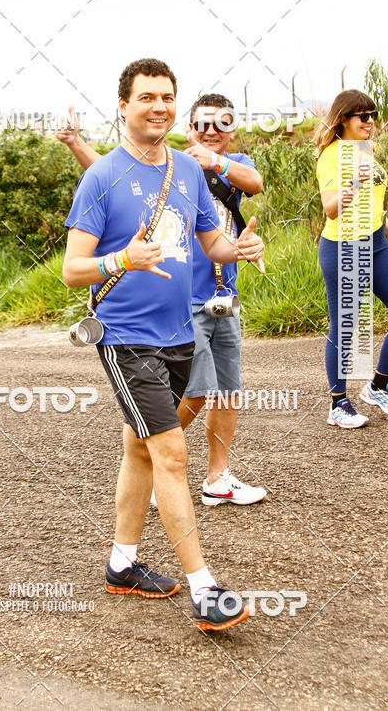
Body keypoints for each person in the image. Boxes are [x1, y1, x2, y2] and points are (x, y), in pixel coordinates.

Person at [62, 58, 264, 630]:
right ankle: (205, 589)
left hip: (181, 335)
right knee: (172, 452)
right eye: (147, 96)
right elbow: (74, 270)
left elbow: (210, 244)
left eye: (167, 96)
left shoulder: (186, 170)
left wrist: (237, 249)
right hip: (127, 339)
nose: (160, 106)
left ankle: (121, 564)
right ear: (123, 106)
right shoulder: (101, 177)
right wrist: (121, 259)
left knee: (139, 447)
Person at [315, 89, 388, 429]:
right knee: (346, 327)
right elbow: (331, 210)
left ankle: (377, 386)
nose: (371, 122)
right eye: (364, 117)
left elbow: (375, 204)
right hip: (343, 247)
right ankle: (338, 403)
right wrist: (352, 184)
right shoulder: (331, 156)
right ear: (345, 119)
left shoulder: (365, 153)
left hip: (376, 243)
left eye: (373, 115)